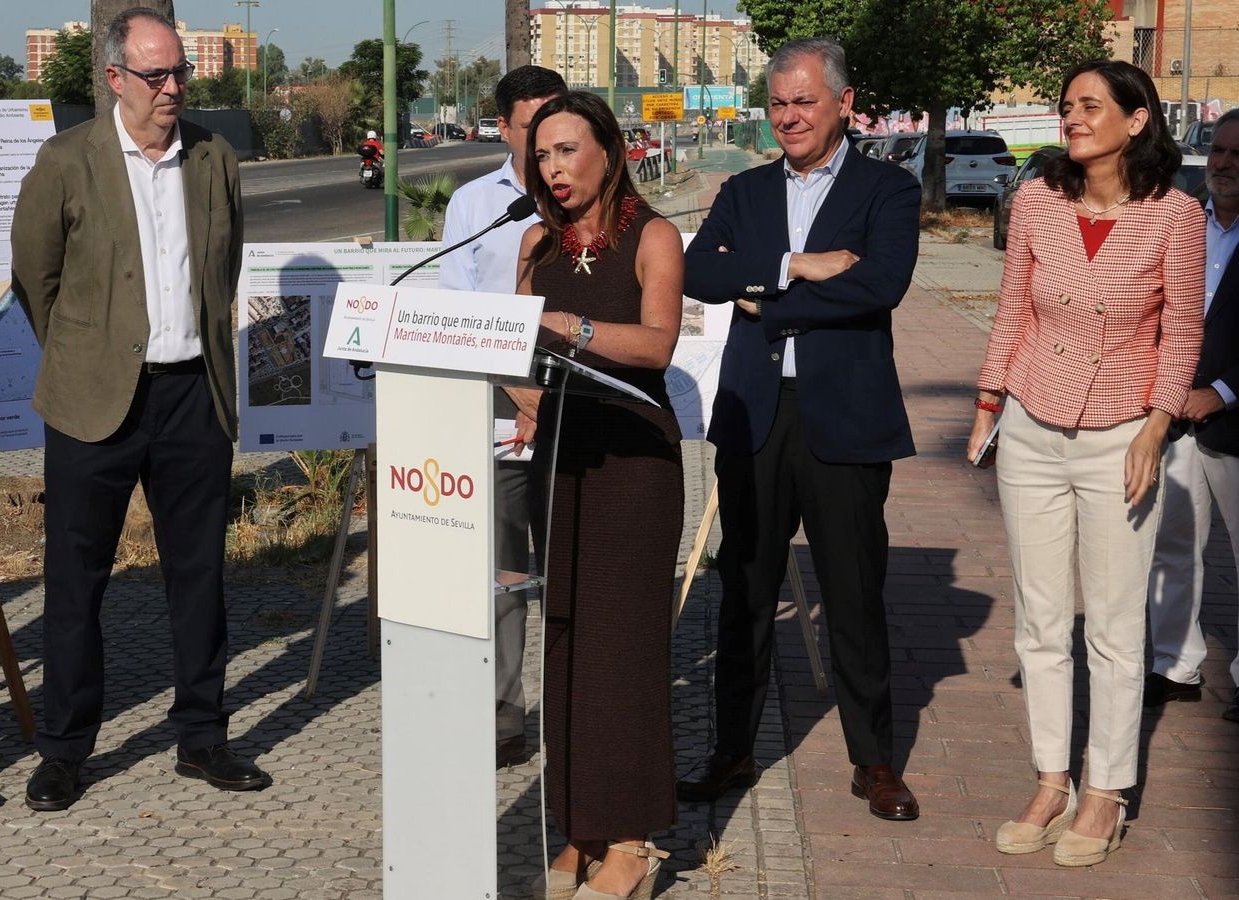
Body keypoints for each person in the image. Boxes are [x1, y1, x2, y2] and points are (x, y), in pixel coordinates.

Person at [11, 7, 268, 811]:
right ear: (114, 78)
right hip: (94, 401)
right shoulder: (65, 161)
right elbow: (35, 279)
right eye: (155, 75)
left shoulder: (214, 157)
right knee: (75, 583)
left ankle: (203, 737)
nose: (172, 88)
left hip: (193, 393)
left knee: (199, 576)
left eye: (180, 72)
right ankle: (64, 751)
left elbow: (220, 272)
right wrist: (89, 353)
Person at [676, 37, 923, 822]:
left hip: (845, 417)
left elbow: (879, 287)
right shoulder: (745, 191)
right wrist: (794, 265)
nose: (788, 117)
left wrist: (761, 294)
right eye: (778, 103)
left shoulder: (888, 188)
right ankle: (733, 750)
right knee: (744, 587)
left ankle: (874, 760)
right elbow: (699, 273)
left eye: (804, 102)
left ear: (843, 104)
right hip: (756, 415)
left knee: (853, 591)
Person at [969, 59, 1204, 865]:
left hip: (1122, 436)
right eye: (1067, 106)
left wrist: (1155, 428)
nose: (1072, 118)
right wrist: (989, 403)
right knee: (1039, 620)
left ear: (1136, 120)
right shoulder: (1037, 199)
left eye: (1089, 106)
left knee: (1111, 624)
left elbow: (1183, 331)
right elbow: (1010, 311)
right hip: (1032, 426)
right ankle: (1050, 776)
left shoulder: (1177, 216)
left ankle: (1105, 790)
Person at [510, 91, 684, 900]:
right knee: (570, 639)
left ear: (609, 151)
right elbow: (514, 348)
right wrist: (523, 395)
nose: (554, 168)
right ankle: (577, 827)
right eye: (542, 154)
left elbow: (655, 344)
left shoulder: (654, 235)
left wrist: (572, 329)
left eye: (568, 150)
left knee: (625, 644)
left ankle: (630, 838)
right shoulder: (533, 241)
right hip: (561, 457)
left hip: (634, 462)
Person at [437, 63, 567, 771]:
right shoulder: (473, 203)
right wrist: (519, 396)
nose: (549, 138)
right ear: (506, 127)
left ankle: (581, 711)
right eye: (533, 125)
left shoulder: (592, 197)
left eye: (559, 119)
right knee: (504, 574)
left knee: (574, 567)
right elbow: (456, 314)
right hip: (499, 406)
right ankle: (503, 718)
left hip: (580, 400)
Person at [1144, 108, 1239, 720]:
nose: (1227, 164)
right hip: (1173, 414)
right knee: (1173, 546)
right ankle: (1173, 665)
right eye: (1221, 152)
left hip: (1233, 419)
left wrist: (1225, 391)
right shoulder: (1184, 221)